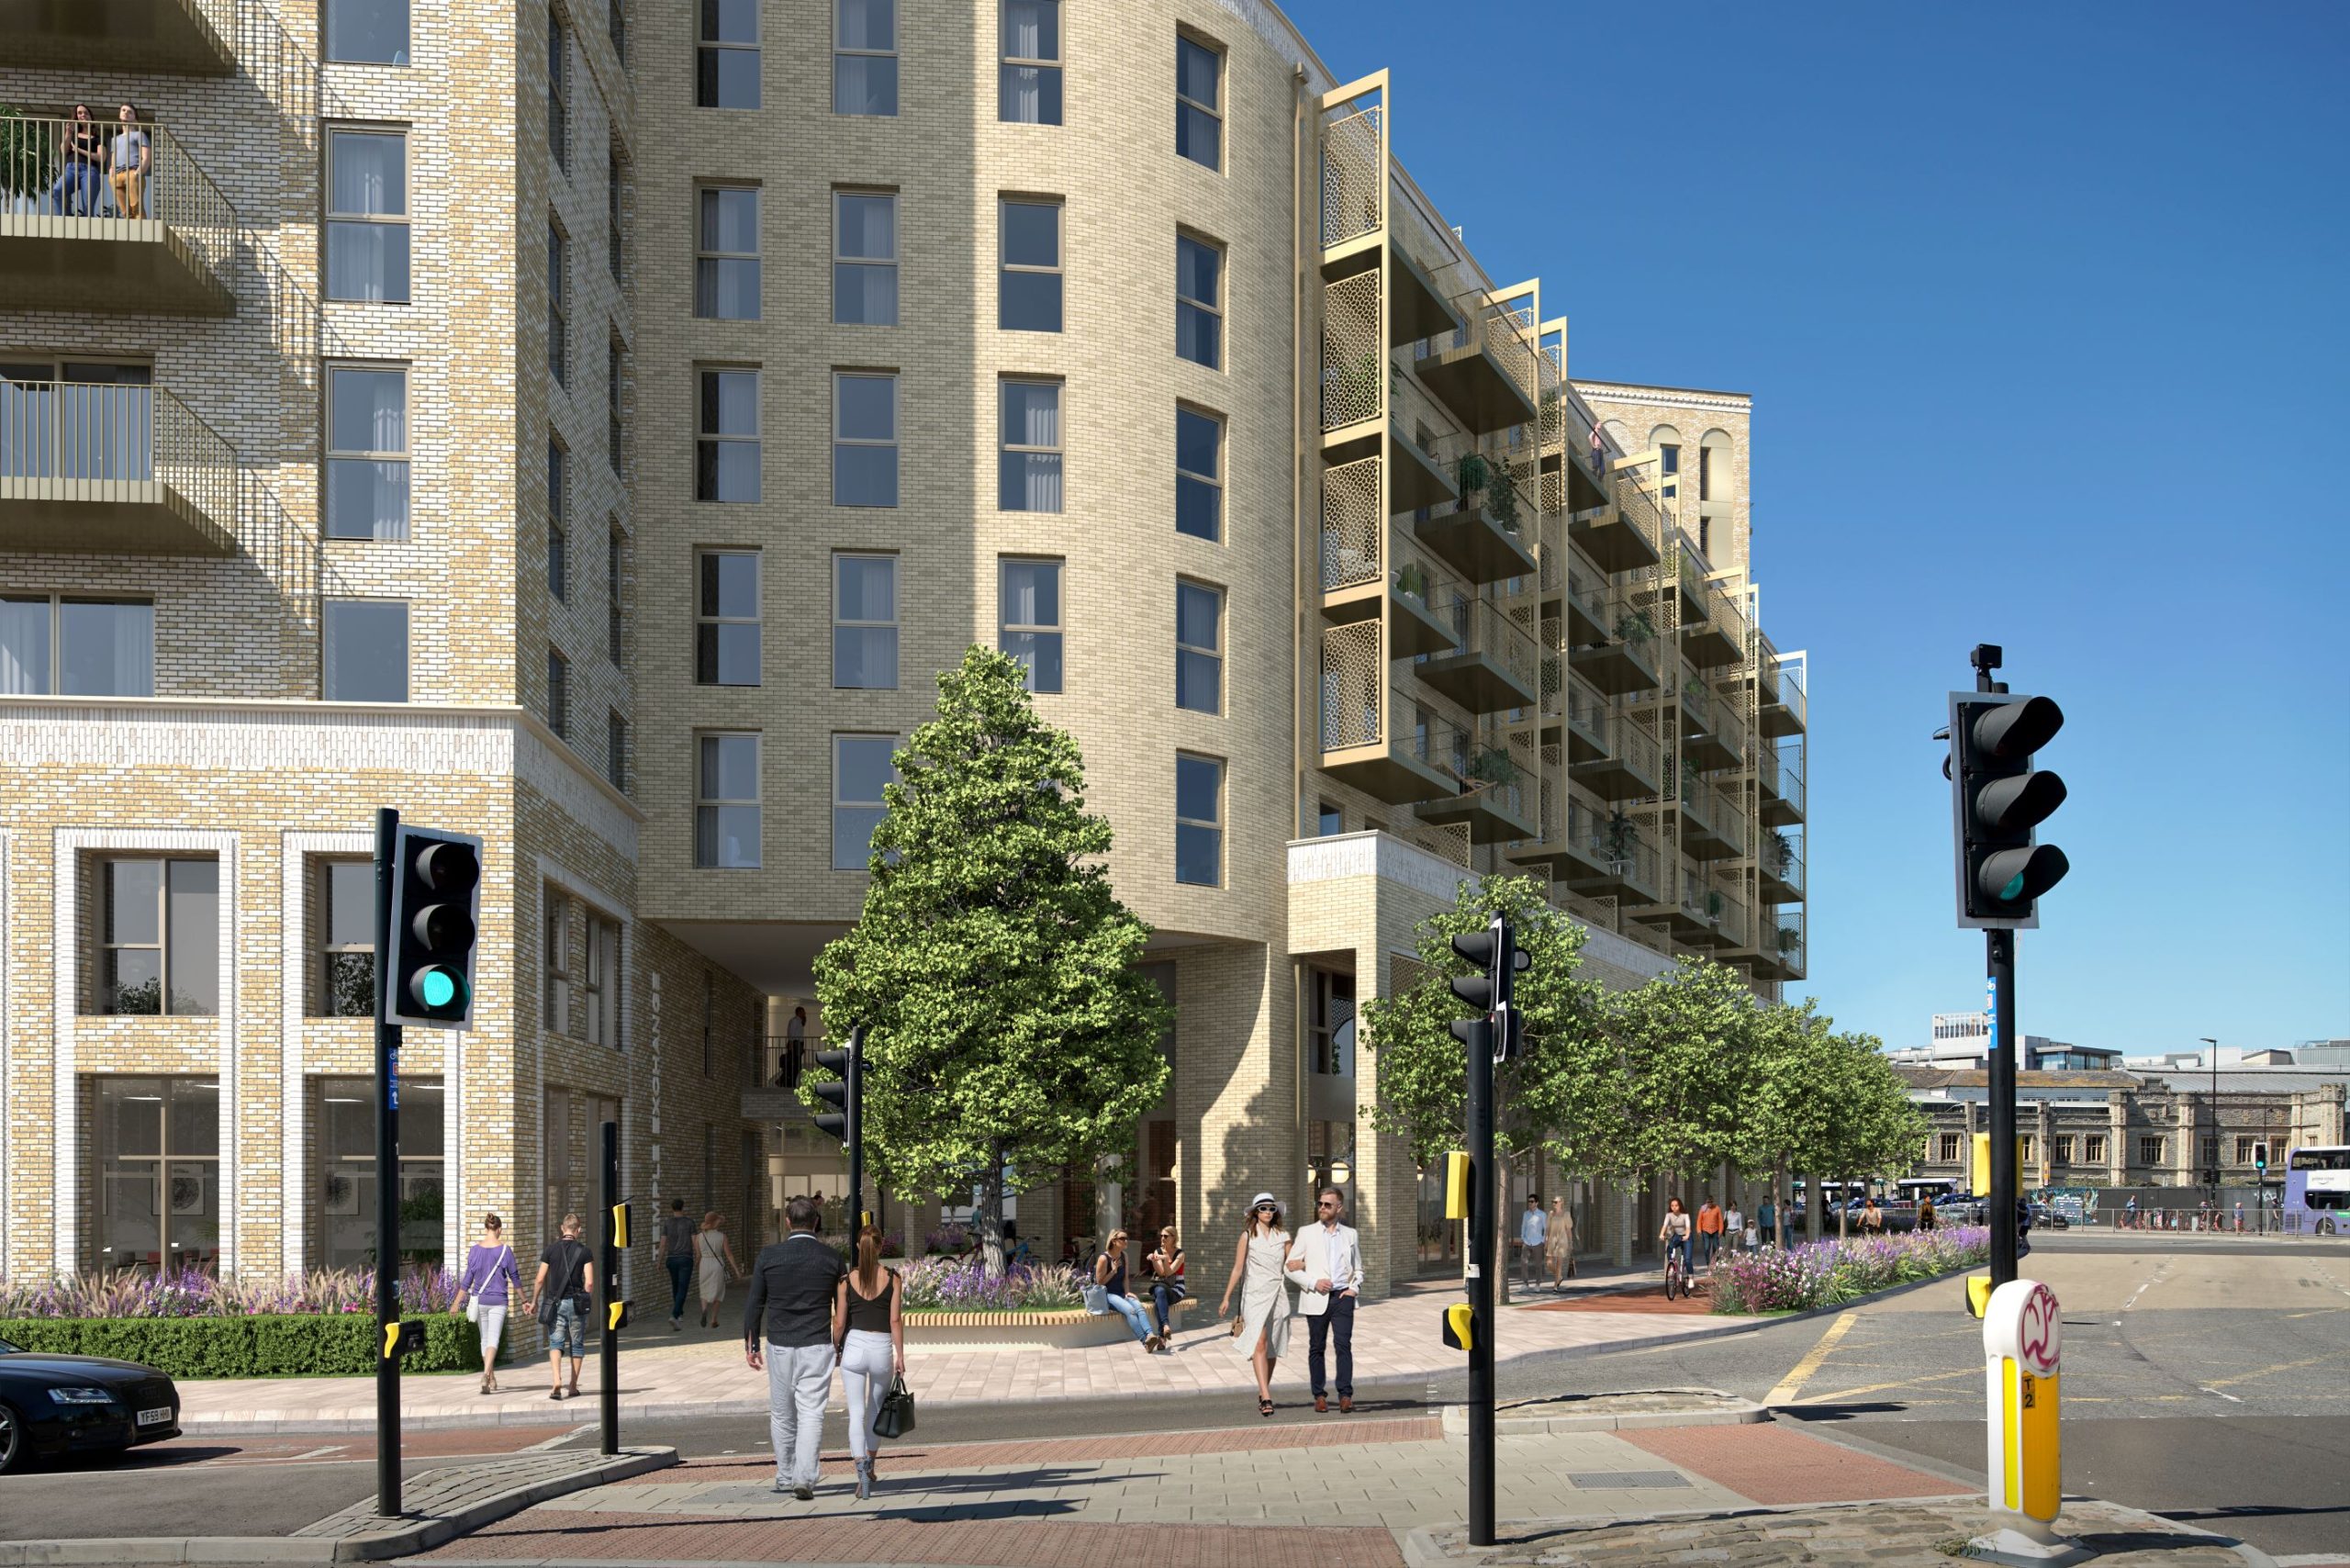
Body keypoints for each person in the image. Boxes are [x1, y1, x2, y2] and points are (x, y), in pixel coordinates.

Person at [744, 1194, 846, 1499]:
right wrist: (839, 1344)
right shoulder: (832, 1259)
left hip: (779, 1344)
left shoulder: (768, 1256)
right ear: (816, 1222)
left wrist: (750, 1344)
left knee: (782, 1413)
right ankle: (805, 1477)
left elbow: (755, 1303)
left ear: (787, 1222)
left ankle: (785, 1475)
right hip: (817, 1343)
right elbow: (842, 1308)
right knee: (812, 1413)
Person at [832, 1224, 905, 1502]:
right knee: (875, 1412)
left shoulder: (845, 1280)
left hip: (854, 1347)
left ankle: (860, 1468)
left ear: (858, 1247)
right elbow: (895, 1320)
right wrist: (900, 1355)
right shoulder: (893, 1278)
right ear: (880, 1245)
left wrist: (835, 1347)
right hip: (881, 1348)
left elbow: (840, 1322)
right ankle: (871, 1467)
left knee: (855, 1413)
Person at [1217, 1193, 1294, 1417]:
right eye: (1263, 1209)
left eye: (1271, 1209)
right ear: (1255, 1212)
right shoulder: (1247, 1236)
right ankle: (1267, 1396)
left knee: (1271, 1346)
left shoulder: (1284, 1236)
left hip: (1277, 1293)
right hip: (1253, 1295)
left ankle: (1263, 1390)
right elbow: (1238, 1269)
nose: (1268, 1212)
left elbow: (1292, 1265)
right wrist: (1226, 1297)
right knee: (1259, 1343)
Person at [1286, 1186, 1362, 1414]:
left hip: (1342, 1298)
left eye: (1327, 1204)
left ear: (1338, 1207)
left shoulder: (1350, 1235)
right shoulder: (1306, 1232)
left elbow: (1358, 1268)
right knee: (1316, 1348)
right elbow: (1289, 1267)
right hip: (1316, 1298)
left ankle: (1345, 1395)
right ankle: (1319, 1395)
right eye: (1319, 1204)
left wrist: (1354, 1289)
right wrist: (1313, 1282)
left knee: (1343, 1346)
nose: (1322, 1208)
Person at [528, 1212, 595, 1402]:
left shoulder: (550, 1250)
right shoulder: (585, 1251)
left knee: (556, 1343)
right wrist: (586, 1299)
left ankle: (557, 1380)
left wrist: (534, 1301)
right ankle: (573, 1386)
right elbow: (589, 1283)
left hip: (555, 1304)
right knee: (577, 1344)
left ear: (562, 1229)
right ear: (578, 1230)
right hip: (576, 1304)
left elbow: (540, 1279)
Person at [453, 1212, 520, 1395]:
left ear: (486, 1228)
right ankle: (485, 1374)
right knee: (493, 1339)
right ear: (499, 1230)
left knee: (485, 1339)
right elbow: (515, 1277)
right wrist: (524, 1299)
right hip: (499, 1301)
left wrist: (456, 1303)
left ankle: (491, 1377)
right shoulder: (505, 1251)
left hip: (480, 1300)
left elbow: (467, 1280)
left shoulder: (475, 1250)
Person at [1093, 1229, 1156, 1350]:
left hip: (1121, 1293)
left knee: (1139, 1307)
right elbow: (1100, 1283)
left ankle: (1150, 1335)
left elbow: (1125, 1278)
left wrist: (1127, 1292)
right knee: (1130, 1310)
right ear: (1114, 1241)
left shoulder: (1124, 1256)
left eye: (1127, 1238)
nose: (1126, 1241)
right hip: (1108, 1295)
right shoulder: (1104, 1258)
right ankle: (1145, 1342)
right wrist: (1113, 1271)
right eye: (1123, 1238)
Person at [50, 106, 106, 217]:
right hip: (71, 169)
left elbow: (101, 157)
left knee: (87, 206)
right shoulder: (72, 136)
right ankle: (63, 221)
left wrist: (78, 150)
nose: (83, 115)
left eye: (86, 113)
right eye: (80, 113)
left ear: (91, 117)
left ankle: (87, 231)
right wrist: (68, 134)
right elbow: (63, 150)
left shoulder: (97, 138)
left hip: (90, 170)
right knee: (57, 191)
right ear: (76, 117)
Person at [698, 1209, 743, 1328]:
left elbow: (698, 1254)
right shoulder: (722, 1236)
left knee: (704, 1289)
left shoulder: (699, 1236)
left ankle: (704, 1310)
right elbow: (729, 1254)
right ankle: (713, 1319)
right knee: (719, 1292)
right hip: (717, 1263)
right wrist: (736, 1270)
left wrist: (697, 1265)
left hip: (704, 1263)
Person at [1146, 1226, 1187, 1349]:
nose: (1162, 1238)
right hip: (1161, 1285)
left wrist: (1164, 1259)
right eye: (1161, 1236)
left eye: (1166, 1236)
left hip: (1176, 1288)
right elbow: (1161, 1273)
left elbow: (1169, 1273)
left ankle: (1162, 1336)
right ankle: (1166, 1326)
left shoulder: (1180, 1254)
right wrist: (1153, 1260)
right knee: (1160, 1291)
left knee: (1159, 1295)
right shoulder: (1157, 1251)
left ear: (1173, 1238)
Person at [108, 105, 150, 220]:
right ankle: (131, 235)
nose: (126, 113)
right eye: (123, 110)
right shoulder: (114, 139)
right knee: (125, 211)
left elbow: (146, 157)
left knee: (136, 207)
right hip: (117, 174)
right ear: (119, 114)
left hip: (132, 173)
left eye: (130, 112)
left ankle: (143, 233)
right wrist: (111, 175)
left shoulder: (139, 135)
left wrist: (137, 174)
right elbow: (113, 159)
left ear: (135, 118)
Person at [661, 1199, 697, 1332]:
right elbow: (695, 1241)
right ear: (683, 1207)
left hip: (671, 1258)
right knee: (682, 1288)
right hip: (686, 1258)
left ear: (672, 1208)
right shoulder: (689, 1222)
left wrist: (659, 1260)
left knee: (675, 1287)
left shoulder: (667, 1223)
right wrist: (698, 1255)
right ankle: (675, 1315)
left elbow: (663, 1243)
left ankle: (680, 1313)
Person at [1658, 1197, 1693, 1280]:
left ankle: (1690, 1278)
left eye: (1676, 1205)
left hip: (1687, 1237)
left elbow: (1688, 1227)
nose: (1674, 1207)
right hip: (1677, 1236)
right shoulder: (1669, 1215)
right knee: (1669, 1249)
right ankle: (1672, 1266)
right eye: (1672, 1205)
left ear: (1680, 1206)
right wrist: (1661, 1235)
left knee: (1687, 1260)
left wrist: (1687, 1236)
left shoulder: (1685, 1215)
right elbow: (1665, 1225)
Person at [1516, 1193, 1547, 1289]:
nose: (1530, 1203)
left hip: (1538, 1242)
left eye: (1532, 1201)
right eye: (1529, 1201)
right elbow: (1523, 1226)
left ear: (1536, 1203)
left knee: (1538, 1265)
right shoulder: (1526, 1214)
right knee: (1523, 1263)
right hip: (1527, 1242)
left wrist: (1543, 1240)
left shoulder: (1542, 1214)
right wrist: (1522, 1237)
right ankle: (1525, 1283)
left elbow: (1546, 1229)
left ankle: (1537, 1284)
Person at [1546, 1195, 1576, 1286]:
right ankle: (1559, 1277)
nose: (1554, 1204)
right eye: (1553, 1202)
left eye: (1556, 1202)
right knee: (1549, 1263)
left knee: (1559, 1263)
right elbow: (1548, 1229)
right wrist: (1546, 1241)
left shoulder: (1566, 1214)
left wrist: (1571, 1243)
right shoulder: (1551, 1214)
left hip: (1562, 1240)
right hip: (1552, 1240)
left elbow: (1568, 1230)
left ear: (1561, 1203)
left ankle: (1555, 1287)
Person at [1695, 1194, 1725, 1267]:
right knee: (1706, 1247)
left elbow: (1721, 1221)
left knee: (1715, 1246)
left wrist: (1720, 1231)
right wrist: (1699, 1230)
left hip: (1715, 1230)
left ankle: (1715, 1261)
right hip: (1705, 1230)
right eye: (1708, 1202)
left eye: (1711, 1202)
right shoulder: (1703, 1209)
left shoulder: (1717, 1208)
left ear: (1713, 1202)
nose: (1709, 1204)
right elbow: (1699, 1220)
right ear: (1706, 1202)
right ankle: (1708, 1263)